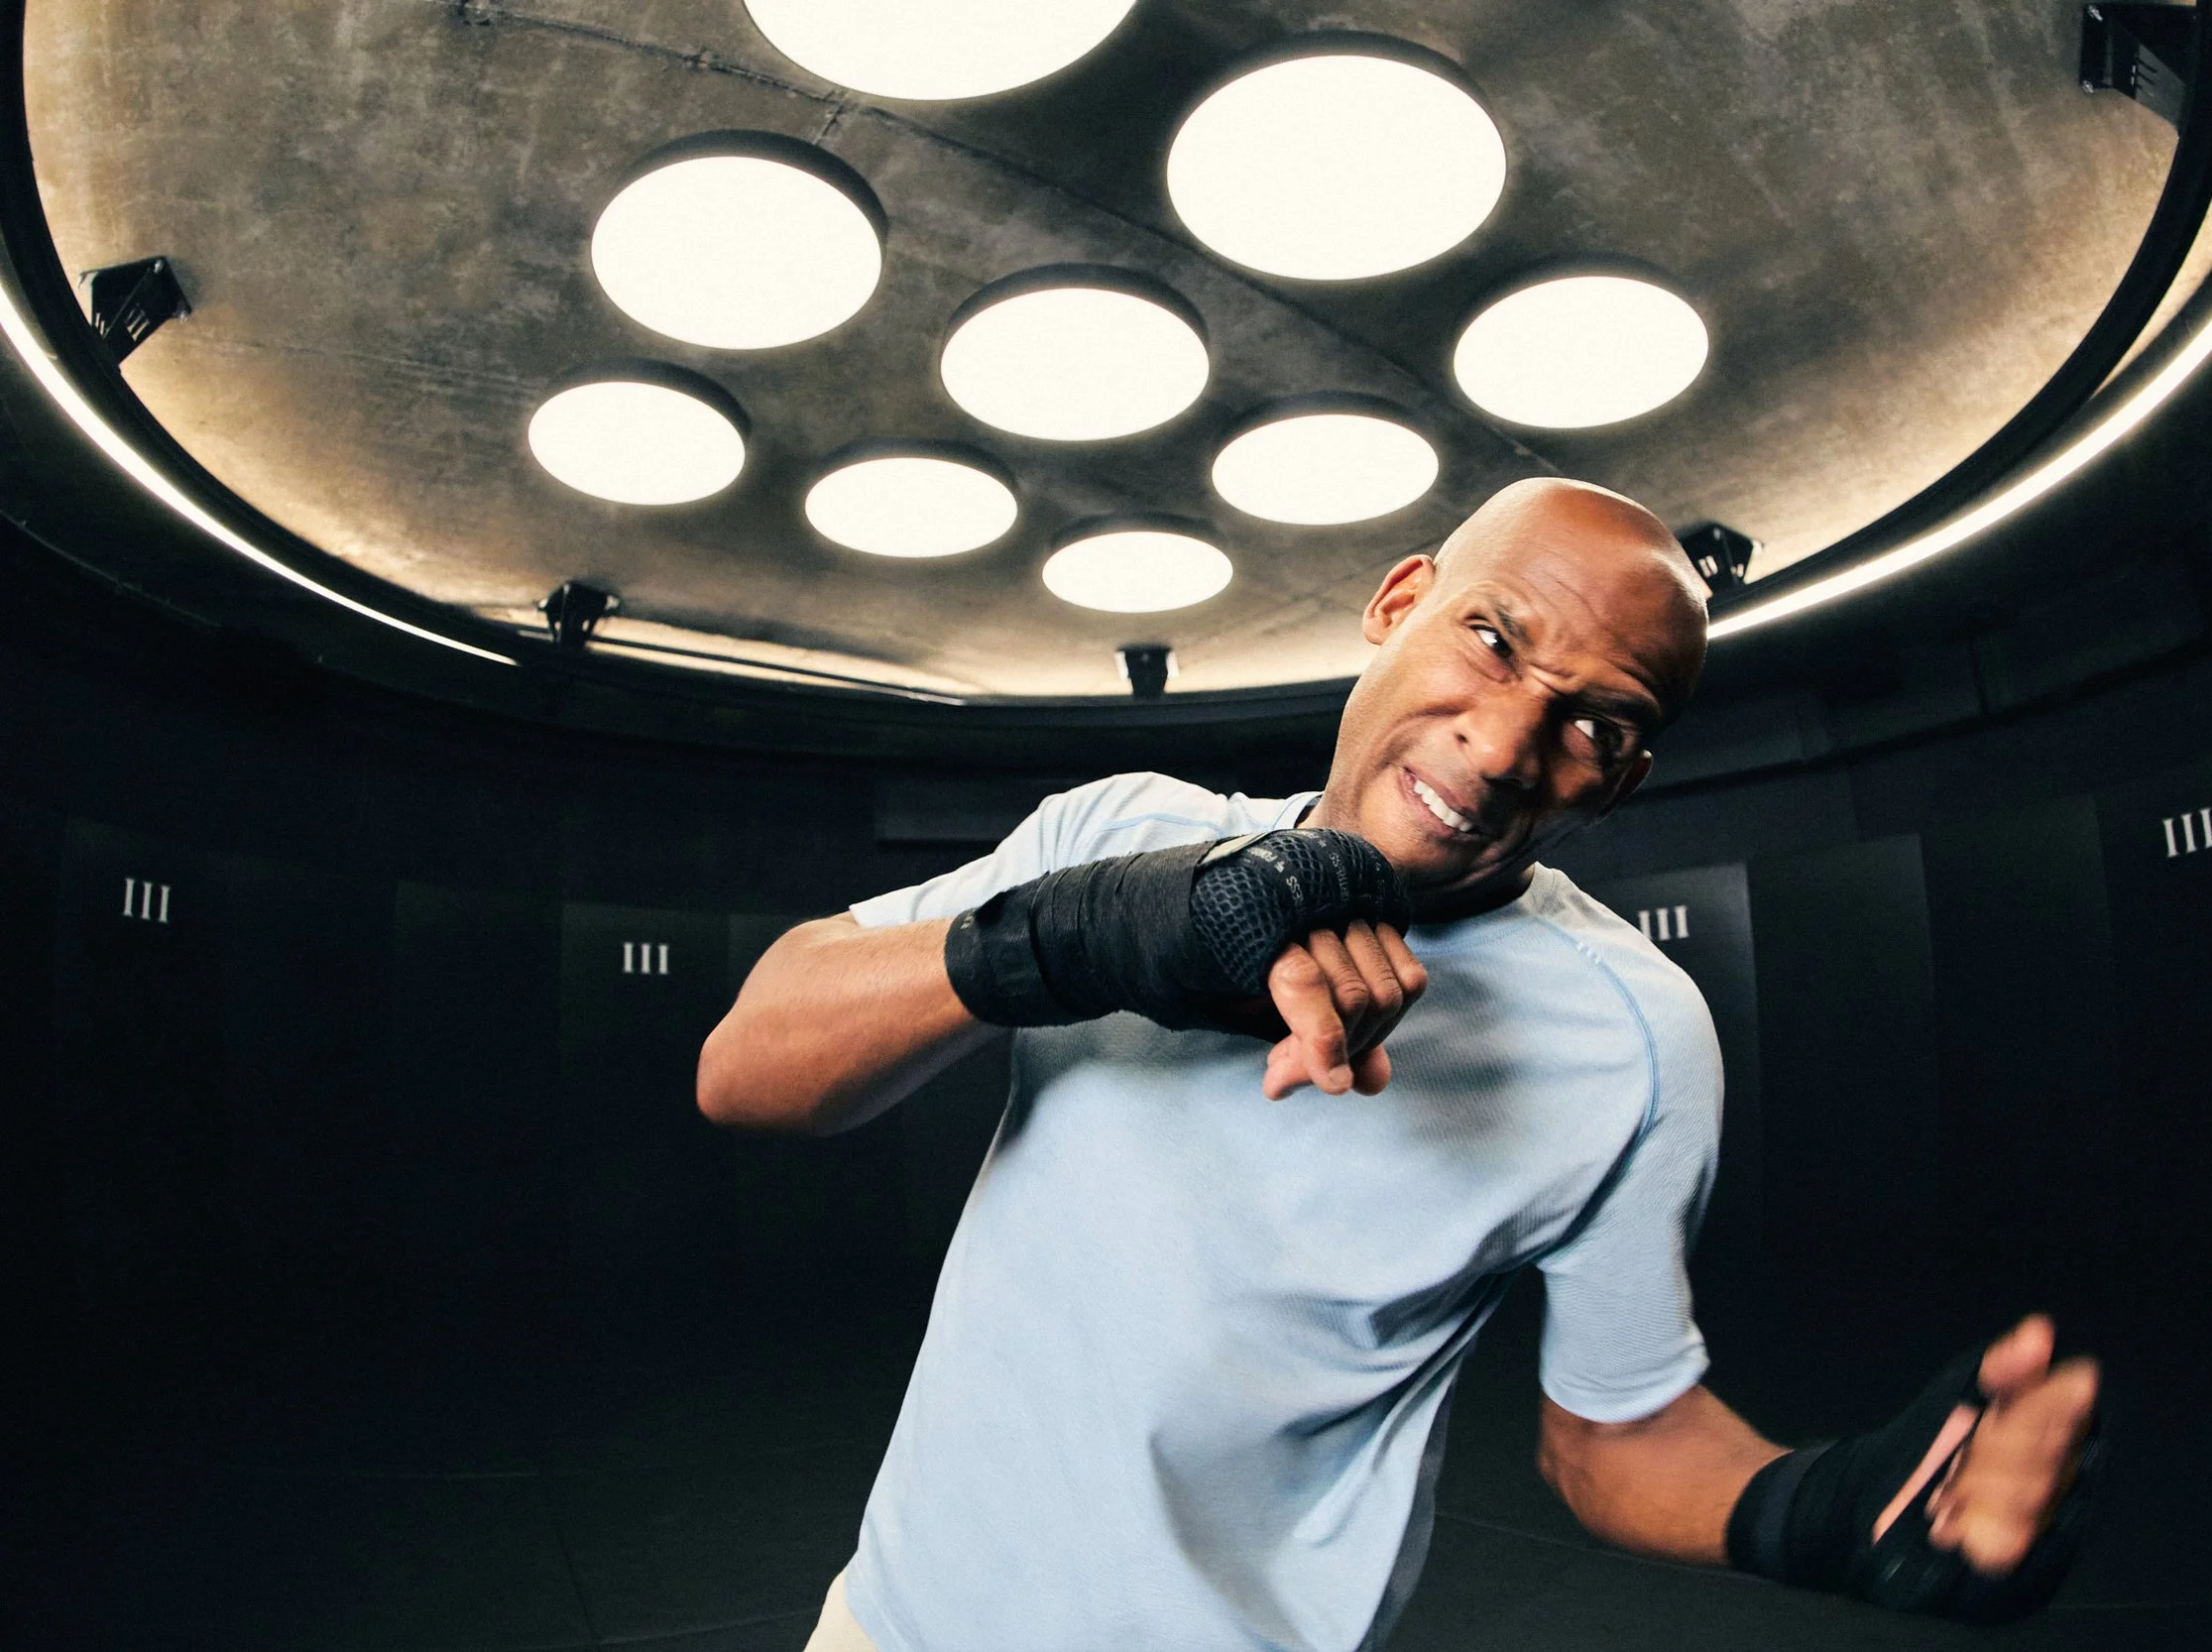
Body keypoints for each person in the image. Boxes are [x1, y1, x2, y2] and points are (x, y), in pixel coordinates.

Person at [698, 478, 2101, 1652]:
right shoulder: (1121, 827)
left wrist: (1823, 1507)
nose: (1500, 748)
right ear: (1396, 601)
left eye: (1593, 723)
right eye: (1492, 638)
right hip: (889, 1624)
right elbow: (748, 1063)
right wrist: (1077, 937)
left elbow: (1610, 1433)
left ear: (1617, 780)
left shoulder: (1633, 1038)